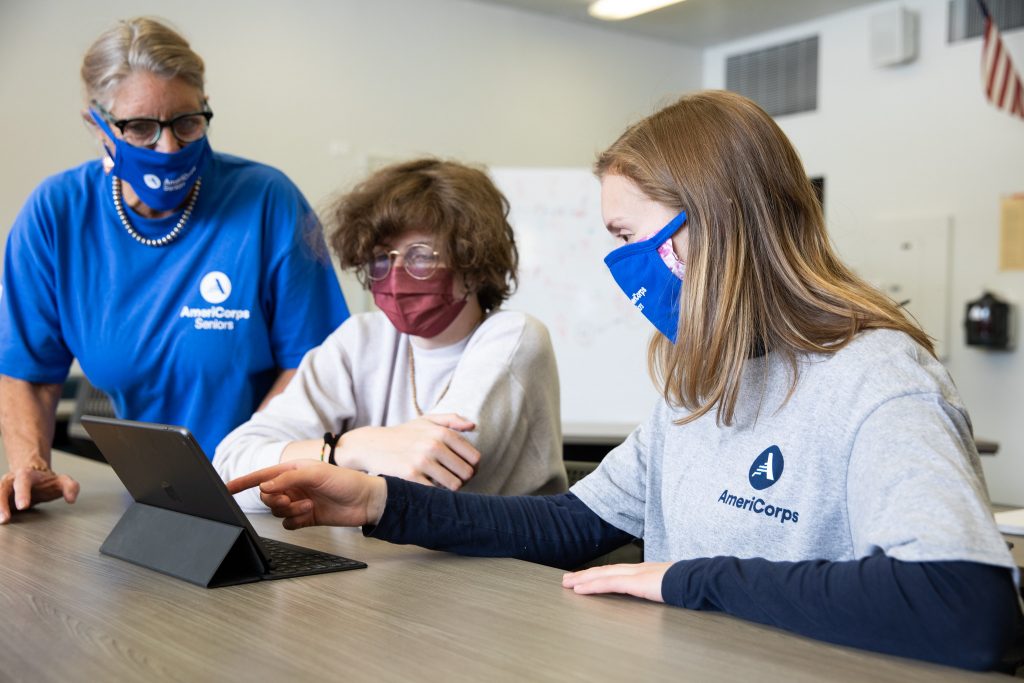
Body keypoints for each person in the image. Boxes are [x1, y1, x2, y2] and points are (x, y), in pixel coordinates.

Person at [228, 91, 1024, 670]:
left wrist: (690, 579)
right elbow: (571, 525)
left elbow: (965, 607)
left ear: (708, 226)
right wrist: (380, 501)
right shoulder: (698, 379)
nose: (622, 267)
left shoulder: (877, 377)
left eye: (627, 236)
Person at [0, 18, 348, 523]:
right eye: (140, 127)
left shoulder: (267, 202)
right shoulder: (57, 214)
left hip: (263, 490)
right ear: (96, 123)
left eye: (188, 122)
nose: (169, 148)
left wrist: (243, 461)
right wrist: (30, 465)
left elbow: (314, 362)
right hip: (152, 497)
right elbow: (29, 371)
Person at [215, 158, 566, 511]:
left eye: (421, 256)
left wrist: (311, 468)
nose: (396, 274)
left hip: (496, 564)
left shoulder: (514, 336)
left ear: (473, 266)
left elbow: (428, 486)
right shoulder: (360, 338)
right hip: (378, 559)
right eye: (381, 257)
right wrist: (352, 448)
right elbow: (233, 469)